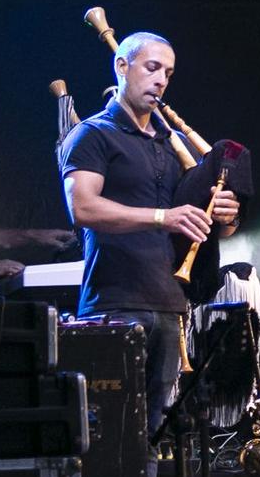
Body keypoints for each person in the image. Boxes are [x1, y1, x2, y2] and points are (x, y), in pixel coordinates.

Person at [58, 30, 242, 451]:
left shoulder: (167, 146)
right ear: (121, 67)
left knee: (152, 435)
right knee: (110, 433)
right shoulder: (92, 134)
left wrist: (225, 218)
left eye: (168, 74)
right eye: (152, 68)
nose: (160, 80)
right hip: (115, 302)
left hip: (168, 303)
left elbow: (201, 225)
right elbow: (83, 209)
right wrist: (163, 217)